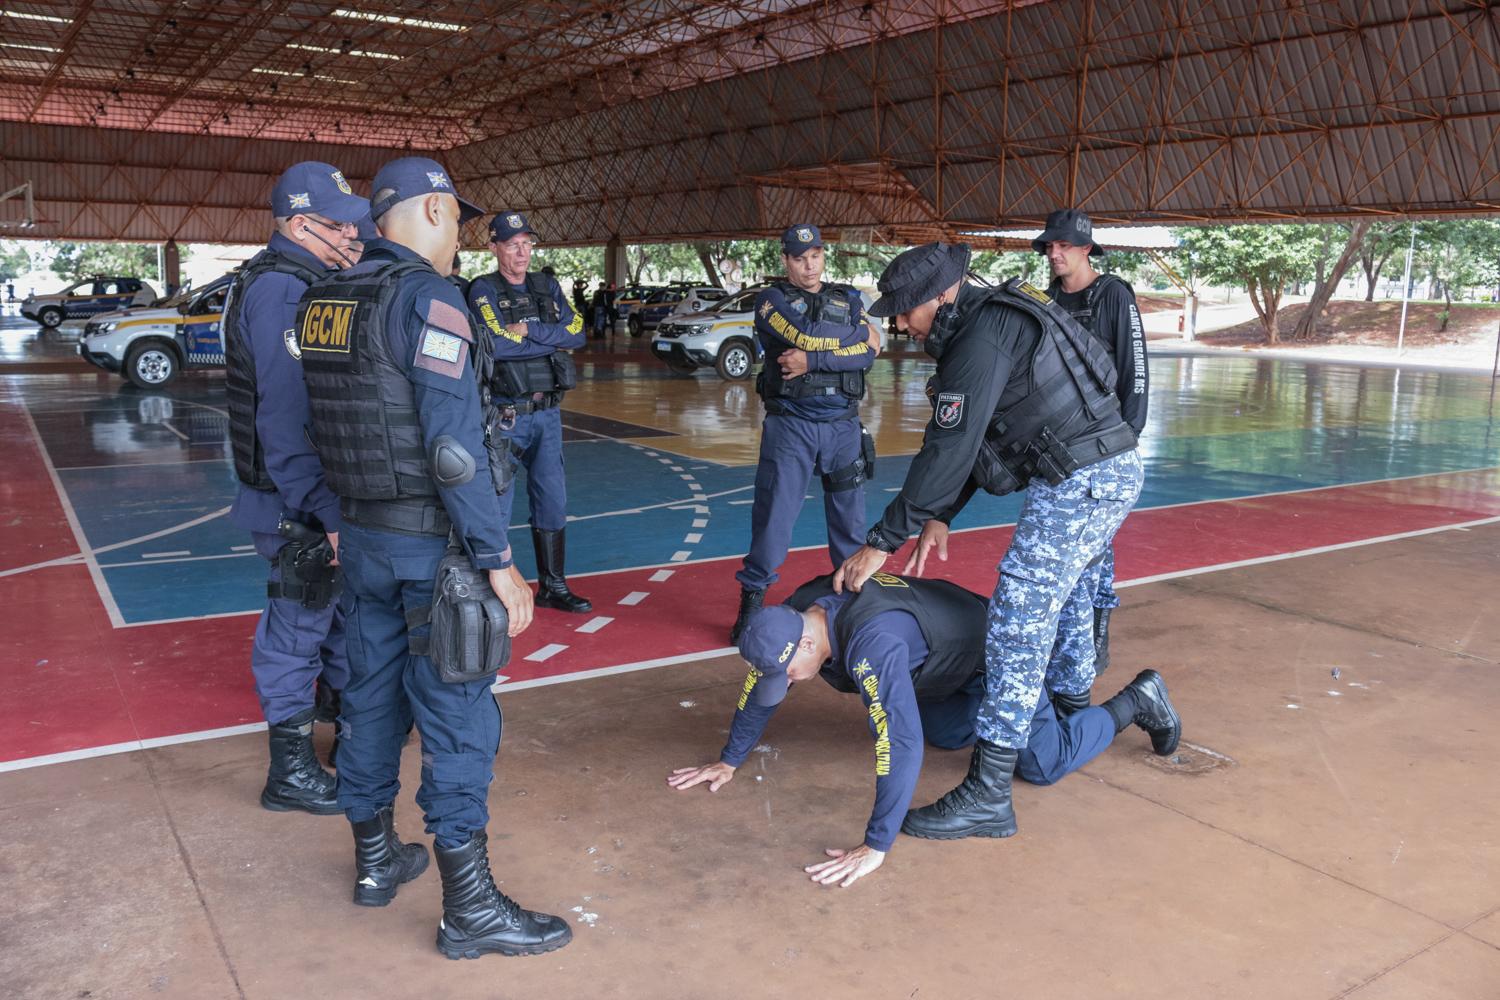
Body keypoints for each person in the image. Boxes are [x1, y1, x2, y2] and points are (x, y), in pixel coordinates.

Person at [297, 157, 571, 957]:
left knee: (371, 701)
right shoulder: (428, 299)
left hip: (364, 540)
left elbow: (317, 424)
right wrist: (497, 559)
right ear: (429, 212)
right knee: (457, 717)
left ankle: (377, 862)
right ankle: (470, 910)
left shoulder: (327, 300)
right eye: (456, 219)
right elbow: (453, 450)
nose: (460, 237)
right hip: (433, 551)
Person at [834, 242, 1142, 841]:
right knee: (1070, 597)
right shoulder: (992, 318)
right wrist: (941, 513)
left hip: (1081, 479)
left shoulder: (980, 339)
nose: (898, 323)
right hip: (1103, 470)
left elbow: (950, 447)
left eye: (904, 311)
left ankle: (989, 792)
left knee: (1018, 616)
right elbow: (983, 438)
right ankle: (1075, 715)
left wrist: (882, 541)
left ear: (942, 295)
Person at [668, 572, 1179, 887]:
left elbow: (898, 741)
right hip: (944, 658)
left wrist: (876, 844)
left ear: (804, 645)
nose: (789, 683)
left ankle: (1138, 699)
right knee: (949, 733)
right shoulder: (802, 611)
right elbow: (762, 690)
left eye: (788, 673)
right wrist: (729, 759)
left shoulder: (873, 645)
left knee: (1041, 763)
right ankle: (1029, 715)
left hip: (999, 652)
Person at [223, 161, 366, 815]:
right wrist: (328, 509)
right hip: (295, 503)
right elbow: (285, 419)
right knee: (298, 624)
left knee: (335, 614)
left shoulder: (303, 279)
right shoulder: (283, 291)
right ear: (302, 223)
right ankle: (289, 773)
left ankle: (349, 734)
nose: (351, 234)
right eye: (340, 223)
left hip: (311, 498)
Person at [729, 224, 881, 643]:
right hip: (791, 427)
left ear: (823, 255)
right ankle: (752, 603)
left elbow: (872, 350)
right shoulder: (771, 301)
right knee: (775, 520)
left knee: (850, 522)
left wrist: (813, 362)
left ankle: (853, 606)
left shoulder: (848, 297)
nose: (809, 265)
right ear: (786, 260)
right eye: (799, 258)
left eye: (815, 255)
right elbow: (806, 335)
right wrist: (853, 340)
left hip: (843, 426)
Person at [1036, 209, 1148, 674]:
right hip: (1058, 447)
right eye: (1050, 247)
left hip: (1106, 445)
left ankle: (1095, 630)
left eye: (1063, 246)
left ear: (1086, 249)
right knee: (1071, 550)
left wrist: (1126, 438)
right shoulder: (1044, 301)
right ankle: (1073, 634)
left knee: (1093, 548)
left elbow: (1135, 371)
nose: (1055, 254)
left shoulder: (1113, 296)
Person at [466, 212, 592, 613]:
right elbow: (498, 344)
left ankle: (553, 586)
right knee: (497, 504)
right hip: (506, 417)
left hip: (548, 416)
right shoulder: (483, 290)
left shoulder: (547, 286)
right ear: (494, 247)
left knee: (552, 501)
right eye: (512, 243)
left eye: (527, 243)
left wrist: (532, 331)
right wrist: (550, 341)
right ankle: (490, 591)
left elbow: (578, 333)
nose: (522, 251)